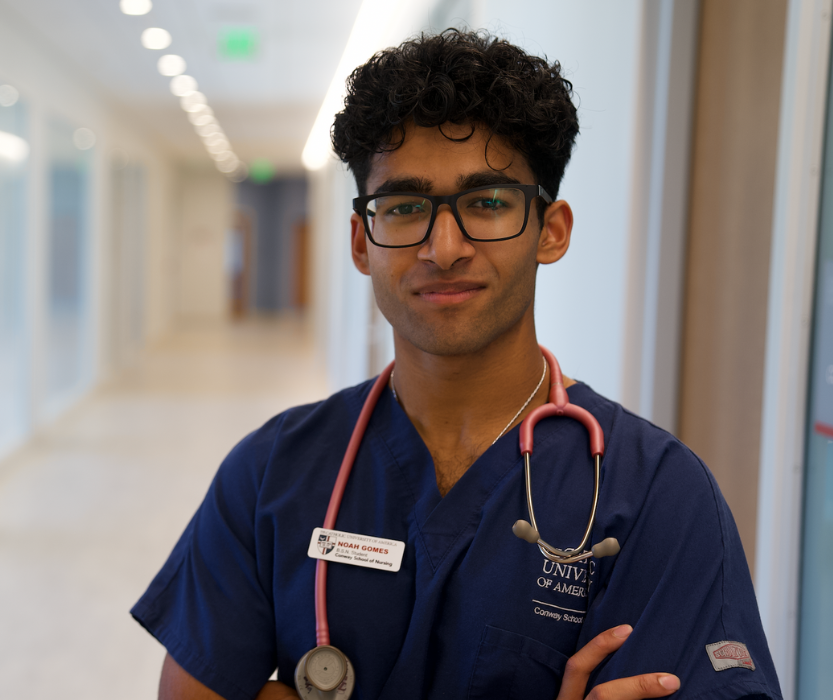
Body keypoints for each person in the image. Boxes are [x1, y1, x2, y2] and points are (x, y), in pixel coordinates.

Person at [132, 29, 781, 700]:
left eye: (487, 203)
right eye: (406, 207)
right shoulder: (273, 473)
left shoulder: (655, 497)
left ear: (550, 230)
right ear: (362, 242)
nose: (444, 248)